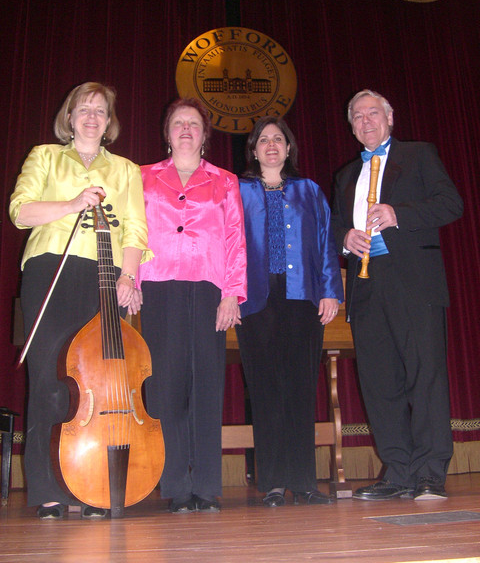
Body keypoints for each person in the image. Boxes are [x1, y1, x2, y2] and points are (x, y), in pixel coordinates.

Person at [9, 82, 152, 518]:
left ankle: (93, 486)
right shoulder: (44, 156)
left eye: (101, 111)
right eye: (83, 109)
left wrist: (128, 275)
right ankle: (48, 490)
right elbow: (20, 211)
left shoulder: (126, 169)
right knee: (51, 376)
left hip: (103, 274)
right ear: (68, 118)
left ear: (110, 122)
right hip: (50, 268)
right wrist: (73, 203)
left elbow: (136, 229)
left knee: (99, 380)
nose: (92, 117)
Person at [331, 89, 463, 501]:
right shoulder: (345, 175)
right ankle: (398, 471)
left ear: (390, 119)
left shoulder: (420, 154)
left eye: (373, 113)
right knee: (379, 381)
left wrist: (397, 215)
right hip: (366, 286)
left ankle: (429, 472)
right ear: (351, 125)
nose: (366, 121)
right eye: (358, 116)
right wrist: (344, 238)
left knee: (424, 377)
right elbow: (333, 226)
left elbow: (450, 204)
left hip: (413, 283)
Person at [138, 97, 247, 514]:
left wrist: (231, 293)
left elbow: (235, 240)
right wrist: (131, 279)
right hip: (159, 287)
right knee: (166, 386)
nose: (186, 129)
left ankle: (205, 484)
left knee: (205, 385)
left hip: (208, 289)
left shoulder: (225, 180)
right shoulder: (143, 177)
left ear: (205, 136)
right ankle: (175, 487)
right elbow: (133, 231)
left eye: (194, 124)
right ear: (167, 134)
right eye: (178, 123)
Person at [235, 116, 344, 507]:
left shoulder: (309, 190)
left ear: (288, 147)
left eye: (278, 139)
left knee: (300, 386)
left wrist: (330, 291)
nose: (271, 145)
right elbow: (229, 246)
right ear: (253, 149)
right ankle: (274, 482)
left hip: (302, 297)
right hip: (257, 298)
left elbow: (327, 243)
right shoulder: (238, 191)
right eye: (263, 139)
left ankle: (305, 481)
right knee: (265, 388)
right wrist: (231, 292)